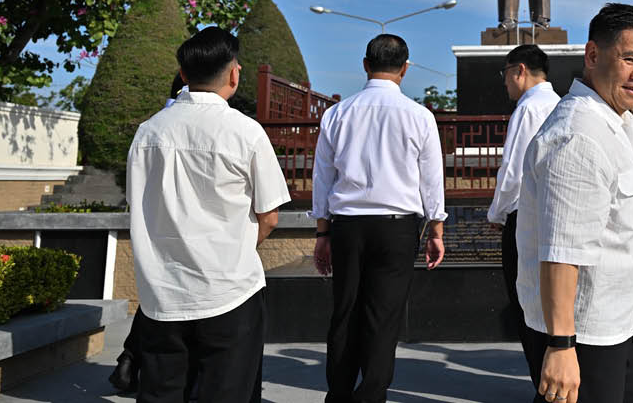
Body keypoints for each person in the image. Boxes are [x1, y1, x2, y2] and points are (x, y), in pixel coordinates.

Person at [127, 27, 290, 403]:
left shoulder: (147, 133)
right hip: (229, 288)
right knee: (227, 391)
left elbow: (140, 205)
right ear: (234, 73)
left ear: (183, 75)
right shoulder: (245, 132)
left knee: (161, 391)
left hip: (162, 290)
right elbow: (270, 217)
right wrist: (237, 249)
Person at [516, 2, 633, 403]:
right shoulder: (579, 135)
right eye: (630, 59)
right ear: (593, 55)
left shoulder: (616, 119)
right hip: (585, 334)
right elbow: (561, 249)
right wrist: (561, 346)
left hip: (617, 323)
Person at [311, 34, 448, 403]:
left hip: (347, 225)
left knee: (345, 313)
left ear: (365, 65)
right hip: (396, 227)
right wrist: (435, 228)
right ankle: (371, 395)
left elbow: (323, 176)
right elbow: (431, 178)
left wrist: (322, 231)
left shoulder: (337, 114)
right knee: (383, 317)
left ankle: (338, 394)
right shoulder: (419, 116)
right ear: (405, 68)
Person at [109, 71, 195, 395]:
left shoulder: (154, 125)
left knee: (156, 304)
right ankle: (135, 363)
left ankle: (130, 362)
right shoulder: (190, 124)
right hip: (186, 232)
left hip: (157, 231)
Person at [487, 45, 561, 374]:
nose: (504, 84)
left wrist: (496, 213)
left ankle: (543, 386)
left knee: (527, 303)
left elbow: (513, 171)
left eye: (505, 75)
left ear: (519, 71)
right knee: (554, 305)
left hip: (525, 219)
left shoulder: (528, 108)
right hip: (557, 216)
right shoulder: (561, 105)